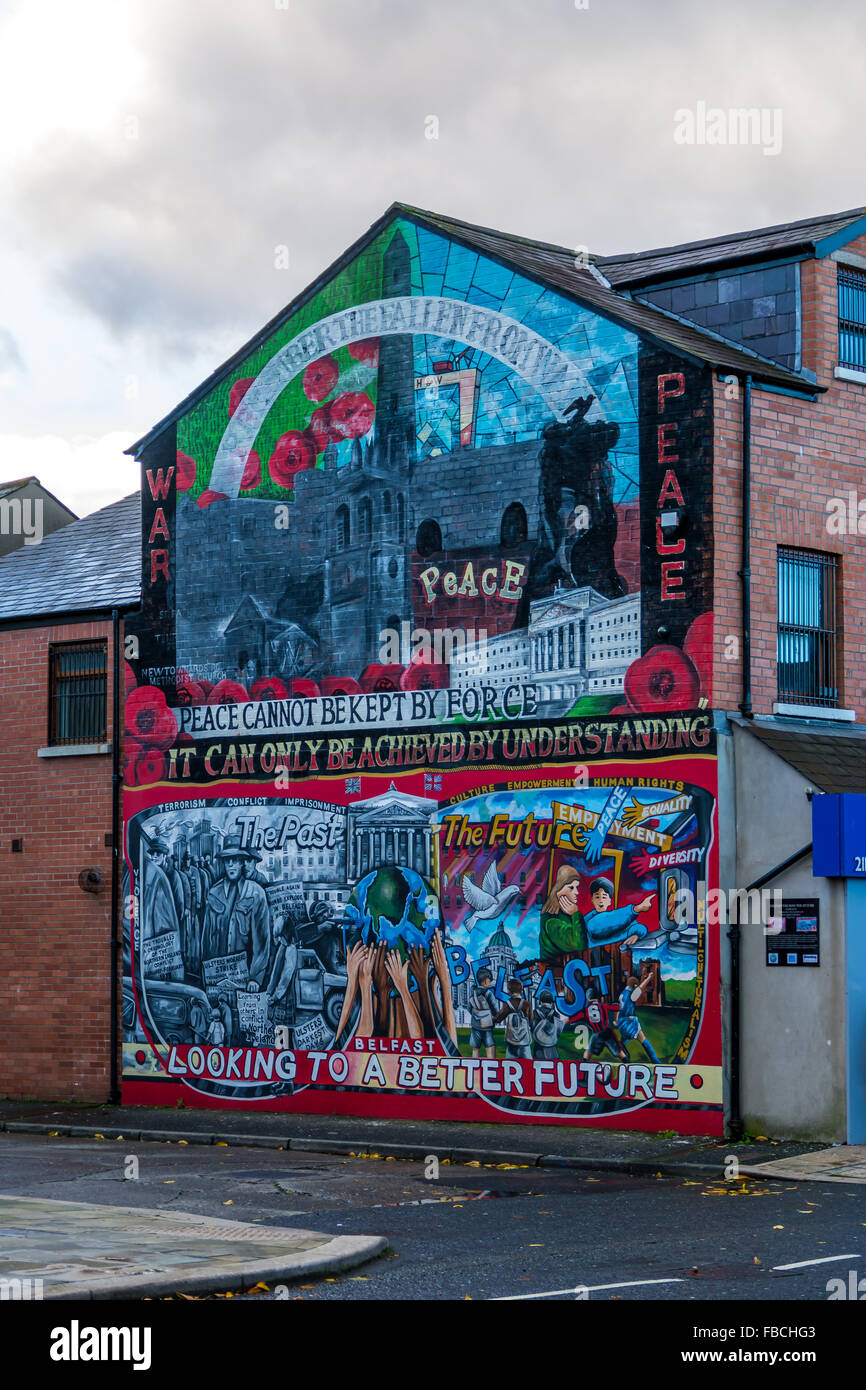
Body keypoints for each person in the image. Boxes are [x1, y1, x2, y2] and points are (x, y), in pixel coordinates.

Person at [201, 836, 271, 994]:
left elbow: (262, 940)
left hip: (245, 978)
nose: (231, 865)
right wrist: (206, 973)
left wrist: (255, 977)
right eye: (227, 861)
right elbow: (207, 939)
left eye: (235, 860)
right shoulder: (214, 892)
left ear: (242, 862)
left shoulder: (255, 892)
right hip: (217, 977)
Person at [585, 877, 655, 949]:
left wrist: (636, 935)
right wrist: (636, 909)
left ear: (610, 901)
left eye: (604, 897)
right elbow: (597, 926)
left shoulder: (620, 920)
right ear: (592, 900)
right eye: (597, 897)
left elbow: (638, 927)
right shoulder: (589, 921)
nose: (600, 901)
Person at [538, 865, 587, 962]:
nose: (576, 892)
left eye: (576, 887)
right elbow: (579, 945)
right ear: (559, 889)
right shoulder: (551, 921)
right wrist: (576, 914)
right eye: (571, 888)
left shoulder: (565, 914)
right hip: (557, 972)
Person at [616, 974, 661, 1063]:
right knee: (643, 1040)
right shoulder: (631, 994)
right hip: (629, 1021)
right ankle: (656, 1061)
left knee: (622, 1043)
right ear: (634, 985)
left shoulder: (622, 994)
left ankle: (625, 1058)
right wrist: (649, 978)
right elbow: (640, 988)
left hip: (621, 1022)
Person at [580, 986, 629, 1063]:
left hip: (597, 1033)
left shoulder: (586, 1010)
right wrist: (616, 1019)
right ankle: (628, 1065)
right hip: (607, 1032)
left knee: (588, 1052)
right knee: (619, 1052)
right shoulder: (603, 1006)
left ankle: (585, 1069)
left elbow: (576, 1017)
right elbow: (617, 1007)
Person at [495, 978, 533, 1060]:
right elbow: (531, 1021)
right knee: (529, 1066)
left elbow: (498, 1018)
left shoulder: (507, 1004)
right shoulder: (527, 1004)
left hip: (511, 1041)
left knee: (509, 1065)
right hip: (524, 1042)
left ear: (509, 991)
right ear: (521, 991)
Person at [469, 966, 498, 1060]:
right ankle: (491, 1066)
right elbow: (495, 1009)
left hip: (475, 1025)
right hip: (487, 1026)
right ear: (485, 981)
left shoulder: (473, 992)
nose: (490, 982)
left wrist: (476, 1015)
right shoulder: (489, 994)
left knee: (475, 1049)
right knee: (490, 1047)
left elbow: (469, 1008)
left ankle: (475, 1067)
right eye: (489, 980)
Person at [532, 989, 566, 1059]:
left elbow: (533, 1029)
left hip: (538, 1048)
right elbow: (558, 1032)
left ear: (540, 1001)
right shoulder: (556, 1014)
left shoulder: (534, 1013)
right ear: (551, 1002)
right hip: (552, 1048)